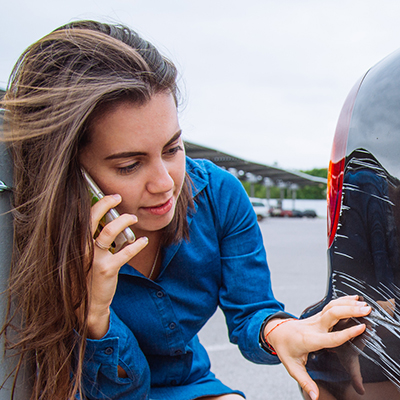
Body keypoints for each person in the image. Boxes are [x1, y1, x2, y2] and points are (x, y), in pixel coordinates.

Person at [0, 20, 371, 400]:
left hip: (188, 384)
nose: (165, 183)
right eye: (129, 165)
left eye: (172, 149)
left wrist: (280, 332)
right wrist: (95, 318)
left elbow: (251, 310)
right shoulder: (29, 234)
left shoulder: (219, 196)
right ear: (73, 176)